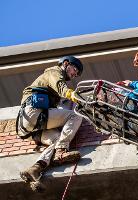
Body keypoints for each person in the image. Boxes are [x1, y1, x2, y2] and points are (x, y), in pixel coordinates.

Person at [16, 55, 84, 192]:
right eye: (74, 70)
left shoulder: (50, 80)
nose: (74, 75)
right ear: (65, 64)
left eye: (76, 74)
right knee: (75, 116)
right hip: (34, 113)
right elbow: (62, 88)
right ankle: (61, 152)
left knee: (57, 139)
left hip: (28, 129)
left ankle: (35, 169)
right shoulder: (54, 72)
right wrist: (79, 99)